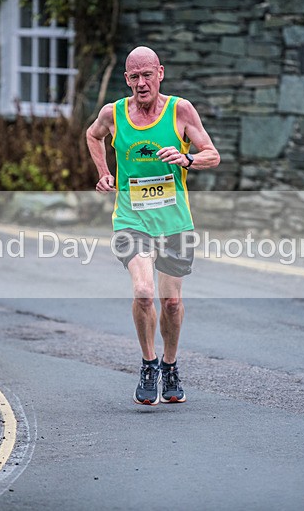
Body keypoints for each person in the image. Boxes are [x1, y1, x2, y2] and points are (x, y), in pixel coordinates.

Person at [86, 46, 220, 405]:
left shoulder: (180, 110)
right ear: (126, 79)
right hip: (132, 219)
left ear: (160, 73)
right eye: (134, 76)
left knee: (171, 302)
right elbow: (92, 135)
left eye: (148, 74)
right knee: (144, 291)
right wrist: (104, 173)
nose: (141, 83)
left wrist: (188, 158)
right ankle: (148, 364)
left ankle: (170, 365)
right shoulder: (113, 114)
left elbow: (212, 154)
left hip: (175, 221)